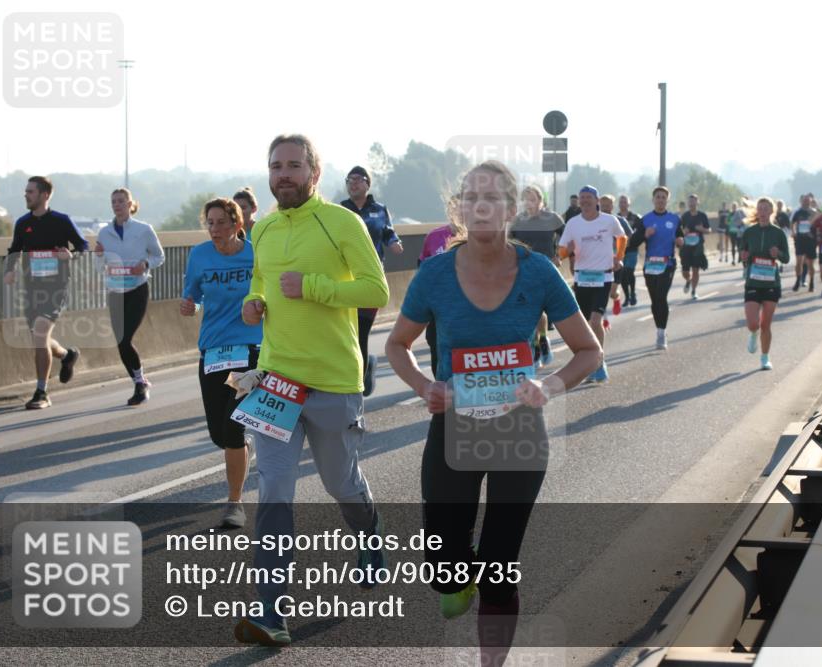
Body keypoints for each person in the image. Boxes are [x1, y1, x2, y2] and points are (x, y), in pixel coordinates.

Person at [385, 160, 601, 666]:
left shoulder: (539, 272)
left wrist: (547, 385)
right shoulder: (435, 274)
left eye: (494, 197)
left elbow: (588, 351)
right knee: (443, 565)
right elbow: (397, 344)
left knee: (500, 566)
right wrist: (424, 386)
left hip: (519, 430)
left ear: (510, 208)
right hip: (453, 426)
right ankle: (458, 572)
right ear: (459, 208)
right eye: (472, 196)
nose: (482, 205)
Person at [234, 134, 390, 647]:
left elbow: (376, 290)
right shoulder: (265, 227)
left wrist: (317, 288)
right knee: (273, 492)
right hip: (276, 380)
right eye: (276, 166)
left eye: (294, 166)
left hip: (334, 381)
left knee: (340, 484)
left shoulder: (343, 222)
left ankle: (369, 539)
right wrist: (254, 304)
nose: (283, 174)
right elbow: (260, 281)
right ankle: (270, 612)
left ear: (314, 173)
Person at [180, 197, 262, 528]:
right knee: (219, 434)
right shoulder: (199, 255)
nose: (215, 229)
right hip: (213, 351)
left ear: (237, 225)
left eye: (221, 223)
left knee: (231, 425)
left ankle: (234, 503)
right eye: (209, 223)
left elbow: (269, 292)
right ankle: (242, 447)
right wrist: (191, 306)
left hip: (249, 349)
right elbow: (194, 295)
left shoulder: (255, 253)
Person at [3, 176, 88, 409]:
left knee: (40, 333)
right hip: (31, 289)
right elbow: (14, 250)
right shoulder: (22, 223)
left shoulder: (61, 221)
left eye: (30, 191)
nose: (26, 195)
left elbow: (83, 246)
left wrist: (71, 255)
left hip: (55, 289)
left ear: (44, 195)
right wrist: (9, 271)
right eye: (26, 191)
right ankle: (67, 355)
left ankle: (41, 392)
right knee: (40, 339)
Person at [94, 187, 165, 406]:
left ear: (130, 204)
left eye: (121, 201)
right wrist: (99, 259)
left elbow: (159, 256)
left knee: (125, 339)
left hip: (137, 289)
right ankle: (139, 381)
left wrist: (144, 264)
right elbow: (99, 266)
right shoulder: (104, 233)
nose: (117, 205)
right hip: (115, 291)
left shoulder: (144, 229)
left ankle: (140, 383)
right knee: (120, 342)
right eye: (114, 201)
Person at [341, 165, 403, 397]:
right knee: (348, 332)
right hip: (345, 279)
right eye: (350, 179)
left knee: (362, 330)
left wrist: (394, 243)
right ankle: (359, 372)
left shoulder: (379, 209)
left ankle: (360, 380)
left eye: (359, 179)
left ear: (368, 184)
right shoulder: (341, 210)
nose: (353, 183)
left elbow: (388, 232)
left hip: (371, 278)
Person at [558, 186, 626, 382]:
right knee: (586, 325)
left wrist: (618, 257)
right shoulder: (573, 223)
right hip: (581, 278)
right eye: (582, 198)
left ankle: (599, 361)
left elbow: (621, 237)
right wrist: (566, 251)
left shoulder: (609, 220)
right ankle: (591, 361)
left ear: (596, 200)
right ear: (579, 201)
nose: (585, 201)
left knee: (596, 321)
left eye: (589, 197)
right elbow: (562, 251)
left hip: (603, 277)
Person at [510, 185, 565, 366]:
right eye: (525, 198)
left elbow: (567, 238)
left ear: (541, 200)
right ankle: (536, 346)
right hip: (524, 268)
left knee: (539, 309)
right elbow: (508, 243)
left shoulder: (552, 218)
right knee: (530, 308)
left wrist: (559, 255)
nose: (529, 202)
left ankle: (542, 338)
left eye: (532, 198)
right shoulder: (518, 220)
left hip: (546, 267)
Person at [740, 197, 790, 371]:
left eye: (766, 209)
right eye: (760, 209)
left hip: (771, 283)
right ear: (756, 211)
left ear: (771, 212)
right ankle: (753, 334)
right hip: (753, 282)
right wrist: (744, 258)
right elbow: (744, 255)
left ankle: (765, 357)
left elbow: (786, 258)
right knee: (754, 324)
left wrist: (778, 254)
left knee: (766, 325)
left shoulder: (778, 233)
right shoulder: (749, 232)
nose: (762, 212)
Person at [640, 186, 684, 349]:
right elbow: (635, 240)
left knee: (661, 296)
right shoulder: (645, 219)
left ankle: (661, 332)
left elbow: (680, 236)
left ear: (667, 200)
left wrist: (680, 241)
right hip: (650, 264)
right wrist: (645, 234)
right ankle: (659, 327)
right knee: (654, 299)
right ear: (653, 200)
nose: (660, 200)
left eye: (663, 197)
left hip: (668, 264)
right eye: (658, 197)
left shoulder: (674, 219)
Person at [419, 221, 460, 379]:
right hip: (439, 305)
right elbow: (423, 269)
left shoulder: (480, 236)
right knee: (435, 341)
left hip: (469, 305)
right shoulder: (434, 236)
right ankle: (441, 385)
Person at [679, 193, 710, 300]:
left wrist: (702, 229)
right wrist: (684, 232)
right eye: (690, 201)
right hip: (686, 247)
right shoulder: (685, 216)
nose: (691, 203)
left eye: (694, 201)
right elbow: (679, 232)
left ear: (697, 202)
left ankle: (693, 291)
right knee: (685, 271)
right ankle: (688, 280)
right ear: (688, 203)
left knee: (696, 270)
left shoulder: (702, 216)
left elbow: (709, 230)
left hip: (698, 246)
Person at [617, 195, 642, 307]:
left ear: (628, 204)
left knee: (629, 271)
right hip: (619, 251)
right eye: (621, 202)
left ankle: (633, 293)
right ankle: (627, 297)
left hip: (632, 250)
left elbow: (639, 232)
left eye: (625, 202)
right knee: (622, 274)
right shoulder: (615, 218)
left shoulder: (635, 217)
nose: (623, 204)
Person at [790, 194, 817, 292]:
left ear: (810, 202)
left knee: (810, 264)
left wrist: (816, 235)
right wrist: (793, 232)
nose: (805, 202)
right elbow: (792, 223)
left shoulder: (814, 212)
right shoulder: (798, 212)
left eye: (807, 201)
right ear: (801, 202)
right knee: (799, 262)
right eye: (804, 201)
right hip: (800, 240)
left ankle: (812, 282)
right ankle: (798, 280)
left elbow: (818, 226)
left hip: (810, 241)